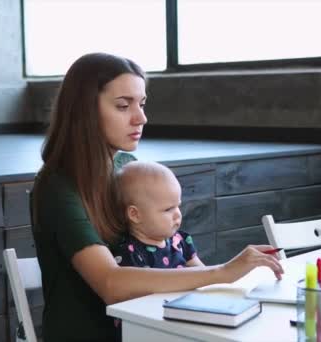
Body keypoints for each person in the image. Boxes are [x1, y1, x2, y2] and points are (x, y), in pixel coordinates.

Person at [30, 52, 283, 342]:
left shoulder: (126, 166)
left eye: (142, 103)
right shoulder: (57, 185)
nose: (141, 117)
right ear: (84, 111)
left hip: (147, 325)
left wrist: (232, 280)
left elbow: (163, 251)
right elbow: (111, 282)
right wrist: (223, 272)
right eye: (123, 106)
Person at [111, 160, 204, 269]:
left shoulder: (180, 240)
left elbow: (204, 274)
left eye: (178, 206)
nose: (178, 214)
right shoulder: (130, 254)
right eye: (168, 209)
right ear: (135, 215)